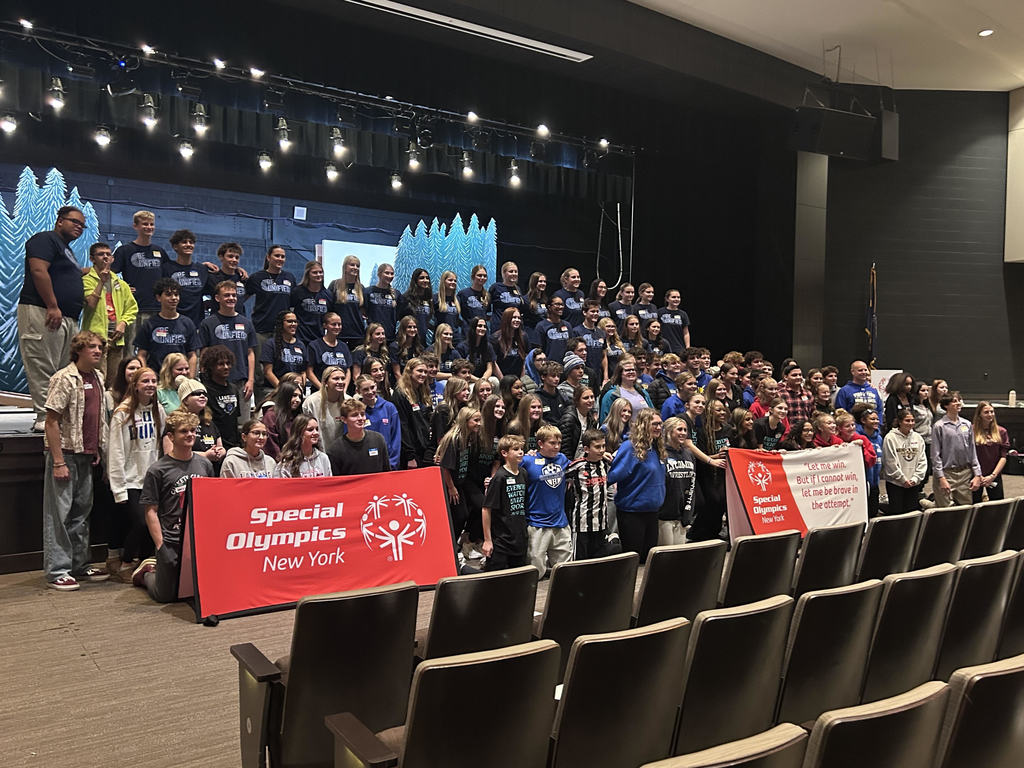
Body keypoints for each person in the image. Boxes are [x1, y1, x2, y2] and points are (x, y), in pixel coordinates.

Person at [41, 331, 110, 590]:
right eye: (91, 347)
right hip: (65, 454)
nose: (97, 351)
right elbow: (51, 421)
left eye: (100, 347)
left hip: (86, 453)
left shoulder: (98, 377)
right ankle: (57, 570)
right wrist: (58, 461)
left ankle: (79, 565)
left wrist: (97, 449)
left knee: (81, 512)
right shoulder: (64, 378)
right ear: (78, 350)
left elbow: (96, 418)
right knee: (59, 513)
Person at [130, 410, 214, 602]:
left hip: (197, 538)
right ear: (171, 436)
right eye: (184, 431)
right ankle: (147, 572)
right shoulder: (157, 470)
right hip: (171, 539)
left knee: (197, 592)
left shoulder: (205, 465)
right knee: (165, 596)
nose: (190, 435)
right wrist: (160, 546)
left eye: (193, 430)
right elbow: (150, 511)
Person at [18, 206, 88, 430]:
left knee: (61, 371)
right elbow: (39, 271)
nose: (79, 227)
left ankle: (56, 417)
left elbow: (65, 275)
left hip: (66, 317)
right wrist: (52, 305)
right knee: (42, 364)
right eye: (74, 222)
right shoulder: (45, 239)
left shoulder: (66, 250)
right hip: (44, 310)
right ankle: (43, 418)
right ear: (59, 221)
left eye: (82, 225)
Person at [106, 366, 163, 574]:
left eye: (153, 381)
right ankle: (125, 563)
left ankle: (145, 565)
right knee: (139, 522)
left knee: (152, 525)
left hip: (151, 479)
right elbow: (116, 452)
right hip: (130, 479)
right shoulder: (122, 413)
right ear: (135, 385)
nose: (150, 385)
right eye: (145, 381)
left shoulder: (158, 410)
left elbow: (162, 443)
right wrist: (118, 487)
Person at [608, 408, 666, 562]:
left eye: (660, 424)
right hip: (632, 513)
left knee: (648, 561)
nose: (659, 427)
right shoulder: (629, 447)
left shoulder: (657, 448)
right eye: (654, 424)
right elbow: (612, 476)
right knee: (633, 561)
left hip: (652, 512)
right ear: (643, 425)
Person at [197, 280, 258, 419]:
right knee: (218, 422)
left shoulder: (246, 323)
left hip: (241, 382)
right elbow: (204, 352)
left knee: (243, 425)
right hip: (215, 382)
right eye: (227, 295)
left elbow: (250, 353)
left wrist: (251, 380)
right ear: (217, 298)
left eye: (234, 295)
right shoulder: (208, 323)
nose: (231, 298)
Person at [82, 241, 138, 383]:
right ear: (92, 258)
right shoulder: (86, 281)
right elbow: (91, 303)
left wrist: (123, 323)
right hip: (95, 338)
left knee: (114, 381)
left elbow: (132, 307)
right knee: (97, 378)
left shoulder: (120, 283)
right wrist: (101, 281)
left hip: (116, 338)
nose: (105, 257)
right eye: (101, 254)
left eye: (108, 254)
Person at [521, 425, 572, 577]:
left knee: (565, 571)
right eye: (552, 443)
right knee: (535, 572)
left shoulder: (562, 459)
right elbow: (508, 471)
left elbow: (581, 465)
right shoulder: (527, 461)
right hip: (537, 523)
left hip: (560, 523)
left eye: (559, 443)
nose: (557, 447)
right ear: (540, 443)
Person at [436, 406, 483, 554]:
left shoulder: (469, 436)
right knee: (459, 515)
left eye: (479, 420)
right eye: (475, 420)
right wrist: (451, 487)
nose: (479, 423)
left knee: (480, 505)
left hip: (463, 481)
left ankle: (466, 540)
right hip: (451, 483)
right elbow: (445, 467)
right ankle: (451, 548)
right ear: (465, 421)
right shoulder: (453, 439)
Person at [111, 210, 167, 329]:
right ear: (135, 226)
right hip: (133, 309)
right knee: (129, 347)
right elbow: (109, 273)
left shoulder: (160, 251)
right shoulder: (125, 250)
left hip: (157, 308)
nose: (149, 227)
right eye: (145, 224)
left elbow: (172, 270)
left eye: (151, 224)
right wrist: (121, 288)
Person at [565, 429, 615, 559]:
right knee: (580, 563)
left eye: (603, 446)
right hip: (582, 523)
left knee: (599, 561)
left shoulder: (605, 462)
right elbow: (555, 477)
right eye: (597, 447)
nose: (602, 450)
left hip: (601, 522)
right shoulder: (577, 466)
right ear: (586, 449)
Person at [134, 278, 199, 378]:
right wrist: (146, 375)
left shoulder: (188, 323)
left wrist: (190, 379)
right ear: (159, 297)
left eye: (176, 294)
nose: (173, 298)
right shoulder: (149, 324)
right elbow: (141, 355)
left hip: (181, 378)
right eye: (168, 294)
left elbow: (192, 355)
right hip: (157, 378)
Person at [482, 435, 529, 571]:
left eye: (522, 449)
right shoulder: (499, 477)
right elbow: (486, 509)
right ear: (504, 453)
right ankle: (464, 569)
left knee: (517, 579)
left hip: (519, 538)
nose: (521, 452)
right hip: (501, 541)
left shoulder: (524, 473)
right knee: (496, 581)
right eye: (516, 449)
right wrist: (487, 540)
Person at [930, 391, 982, 507]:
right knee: (944, 511)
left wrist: (977, 474)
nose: (958, 403)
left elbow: (972, 451)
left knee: (965, 509)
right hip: (946, 473)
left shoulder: (967, 424)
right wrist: (941, 478)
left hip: (964, 472)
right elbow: (935, 455)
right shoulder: (939, 426)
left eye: (959, 400)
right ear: (946, 405)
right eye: (954, 401)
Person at [246, 244, 298, 351]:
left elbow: (293, 304)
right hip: (261, 329)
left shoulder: (289, 278)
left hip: (282, 331)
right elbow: (243, 298)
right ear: (268, 257)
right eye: (277, 256)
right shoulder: (257, 277)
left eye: (282, 256)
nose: (280, 259)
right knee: (259, 366)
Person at [162, 229, 217, 328]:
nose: (188, 245)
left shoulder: (202, 269)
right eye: (184, 242)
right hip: (172, 323)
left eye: (191, 242)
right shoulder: (166, 268)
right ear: (175, 247)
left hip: (196, 324)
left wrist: (237, 270)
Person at [170, 377, 225, 470]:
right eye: (197, 393)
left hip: (211, 472)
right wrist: (205, 455)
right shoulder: (176, 422)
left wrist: (219, 452)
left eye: (204, 394)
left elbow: (221, 447)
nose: (202, 396)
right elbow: (170, 452)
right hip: (185, 471)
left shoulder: (209, 422)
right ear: (185, 399)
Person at [658, 416, 696, 545]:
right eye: (679, 429)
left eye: (685, 430)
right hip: (664, 515)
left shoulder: (689, 454)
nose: (683, 433)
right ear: (669, 431)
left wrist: (688, 511)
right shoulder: (660, 454)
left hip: (683, 514)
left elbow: (692, 484)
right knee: (665, 556)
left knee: (680, 556)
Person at [327, 399, 390, 475]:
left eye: (362, 414)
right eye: (354, 415)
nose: (360, 418)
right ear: (344, 419)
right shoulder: (335, 450)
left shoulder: (378, 440)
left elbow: (387, 472)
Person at [882, 410, 927, 513]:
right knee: (897, 514)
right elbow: (890, 462)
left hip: (913, 483)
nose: (910, 423)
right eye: (907, 420)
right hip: (896, 483)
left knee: (911, 514)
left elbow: (922, 460)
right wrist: (902, 479)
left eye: (912, 420)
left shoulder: (918, 438)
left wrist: (915, 478)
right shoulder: (890, 438)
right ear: (899, 422)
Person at [393, 357, 433, 468]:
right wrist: (410, 456)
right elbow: (403, 426)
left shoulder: (423, 391)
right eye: (420, 371)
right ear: (410, 372)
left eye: (425, 372)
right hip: (411, 452)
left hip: (424, 448)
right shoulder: (400, 394)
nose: (423, 374)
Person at [355, 374, 401, 470]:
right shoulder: (355, 411)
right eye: (365, 389)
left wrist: (392, 463)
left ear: (376, 385)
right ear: (358, 391)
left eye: (372, 387)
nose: (370, 392)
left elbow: (396, 437)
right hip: (364, 465)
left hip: (388, 464)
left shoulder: (389, 408)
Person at [971, 401, 1009, 503]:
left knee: (997, 506)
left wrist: (992, 476)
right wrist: (978, 475)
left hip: (993, 474)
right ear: (979, 414)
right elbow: (968, 455)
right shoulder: (971, 430)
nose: (990, 415)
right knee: (974, 505)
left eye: (992, 412)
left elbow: (1003, 457)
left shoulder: (1001, 431)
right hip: (975, 475)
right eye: (986, 412)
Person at [326, 254, 367, 348]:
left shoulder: (361, 288)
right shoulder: (335, 285)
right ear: (345, 267)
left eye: (358, 266)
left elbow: (364, 311)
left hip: (357, 334)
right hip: (338, 333)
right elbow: (328, 309)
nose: (355, 268)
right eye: (352, 265)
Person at [302, 365, 347, 450]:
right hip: (318, 452)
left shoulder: (348, 401)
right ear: (325, 382)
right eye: (336, 379)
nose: (341, 382)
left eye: (343, 378)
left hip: (342, 453)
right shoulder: (311, 402)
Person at [290, 260, 334, 345]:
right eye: (315, 272)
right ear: (308, 274)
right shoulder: (298, 292)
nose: (318, 275)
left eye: (320, 272)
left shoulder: (328, 295)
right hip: (300, 338)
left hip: (319, 339)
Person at [260, 310, 308, 389]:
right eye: (290, 321)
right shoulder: (270, 344)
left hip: (296, 390)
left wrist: (300, 388)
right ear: (281, 323)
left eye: (295, 322)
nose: (293, 324)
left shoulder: (301, 345)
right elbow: (268, 372)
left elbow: (303, 372)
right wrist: (283, 390)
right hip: (275, 389)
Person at [305, 312, 351, 391]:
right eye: (333, 324)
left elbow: (348, 371)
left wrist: (344, 389)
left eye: (339, 324)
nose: (337, 327)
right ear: (325, 326)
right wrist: (323, 390)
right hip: (320, 391)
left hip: (340, 392)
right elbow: (309, 372)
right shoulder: (314, 345)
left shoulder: (344, 346)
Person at [599, 357, 653, 423]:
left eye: (633, 370)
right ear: (620, 374)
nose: (631, 372)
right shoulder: (611, 395)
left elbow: (652, 413)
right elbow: (604, 419)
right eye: (627, 370)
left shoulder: (643, 393)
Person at [853, 402, 884, 517]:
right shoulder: (856, 436)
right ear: (863, 421)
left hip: (875, 481)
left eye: (877, 419)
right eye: (872, 419)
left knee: (874, 512)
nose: (876, 422)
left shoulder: (879, 438)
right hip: (862, 482)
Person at [261, 380, 303, 459]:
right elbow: (271, 447)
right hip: (279, 463)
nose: (298, 400)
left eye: (299, 397)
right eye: (294, 395)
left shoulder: (299, 416)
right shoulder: (271, 416)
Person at [559, 385, 598, 460]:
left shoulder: (591, 418)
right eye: (586, 398)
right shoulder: (568, 418)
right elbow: (564, 448)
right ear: (577, 400)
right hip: (570, 462)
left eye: (592, 397)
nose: (590, 400)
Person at [573, 299, 608, 381]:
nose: (595, 314)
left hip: (598, 374)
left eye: (597, 311)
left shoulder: (601, 333)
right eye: (592, 311)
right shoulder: (577, 331)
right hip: (583, 373)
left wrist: (606, 377)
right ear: (584, 313)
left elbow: (604, 356)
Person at [490, 307, 528, 378]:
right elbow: (493, 363)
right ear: (507, 319)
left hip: (517, 378)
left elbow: (525, 361)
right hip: (501, 378)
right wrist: (503, 381)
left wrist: (522, 380)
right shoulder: (495, 338)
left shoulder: (524, 337)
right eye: (514, 317)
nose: (517, 320)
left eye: (519, 318)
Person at [366, 262, 399, 341]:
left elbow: (400, 314)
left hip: (390, 337)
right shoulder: (368, 292)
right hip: (372, 338)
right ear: (379, 274)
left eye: (392, 274)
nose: (390, 276)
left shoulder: (396, 294)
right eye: (387, 273)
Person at [213, 242, 248, 316]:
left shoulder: (242, 277)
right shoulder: (213, 277)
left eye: (237, 257)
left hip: (239, 321)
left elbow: (246, 296)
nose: (234, 260)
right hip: (218, 321)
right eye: (230, 256)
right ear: (221, 257)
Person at [400, 267, 434, 344]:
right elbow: (401, 319)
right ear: (415, 280)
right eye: (421, 278)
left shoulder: (429, 299)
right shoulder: (406, 298)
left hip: (422, 341)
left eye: (427, 278)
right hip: (407, 341)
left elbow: (425, 321)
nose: (425, 280)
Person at [489, 261, 524, 332]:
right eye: (511, 271)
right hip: (499, 327)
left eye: (515, 271)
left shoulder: (518, 289)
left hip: (514, 328)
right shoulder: (496, 287)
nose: (514, 274)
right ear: (504, 273)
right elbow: (487, 307)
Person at [458, 316, 495, 382]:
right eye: (480, 326)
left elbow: (489, 368)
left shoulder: (488, 346)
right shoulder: (462, 347)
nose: (482, 328)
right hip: (467, 380)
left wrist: (483, 379)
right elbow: (462, 371)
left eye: (484, 326)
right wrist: (479, 381)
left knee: (495, 381)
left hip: (483, 378)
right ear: (473, 327)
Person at [458, 264, 491, 333]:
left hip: (483, 333)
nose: (482, 278)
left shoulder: (487, 295)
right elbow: (456, 314)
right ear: (473, 277)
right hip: (468, 333)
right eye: (479, 275)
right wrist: (464, 325)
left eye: (484, 276)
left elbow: (487, 315)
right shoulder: (463, 294)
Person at [390, 316, 424, 381]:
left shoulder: (419, 348)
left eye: (415, 327)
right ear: (403, 329)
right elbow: (397, 373)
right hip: (400, 382)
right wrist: (405, 388)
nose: (412, 329)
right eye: (409, 327)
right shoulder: (395, 347)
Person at [433, 271, 463, 344]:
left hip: (455, 337)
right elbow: (428, 319)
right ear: (444, 281)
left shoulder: (457, 299)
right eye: (450, 280)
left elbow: (457, 319)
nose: (453, 282)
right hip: (440, 338)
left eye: (455, 281)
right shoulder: (435, 298)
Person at [658, 288, 690, 354]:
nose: (676, 299)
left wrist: (688, 348)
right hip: (664, 347)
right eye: (673, 297)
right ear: (667, 299)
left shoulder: (683, 314)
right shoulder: (660, 312)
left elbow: (686, 333)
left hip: (679, 348)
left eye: (678, 297)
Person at [523, 271, 549, 345]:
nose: (543, 283)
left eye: (544, 281)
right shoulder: (525, 300)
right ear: (534, 283)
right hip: (531, 334)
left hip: (543, 333)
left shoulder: (545, 300)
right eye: (540, 281)